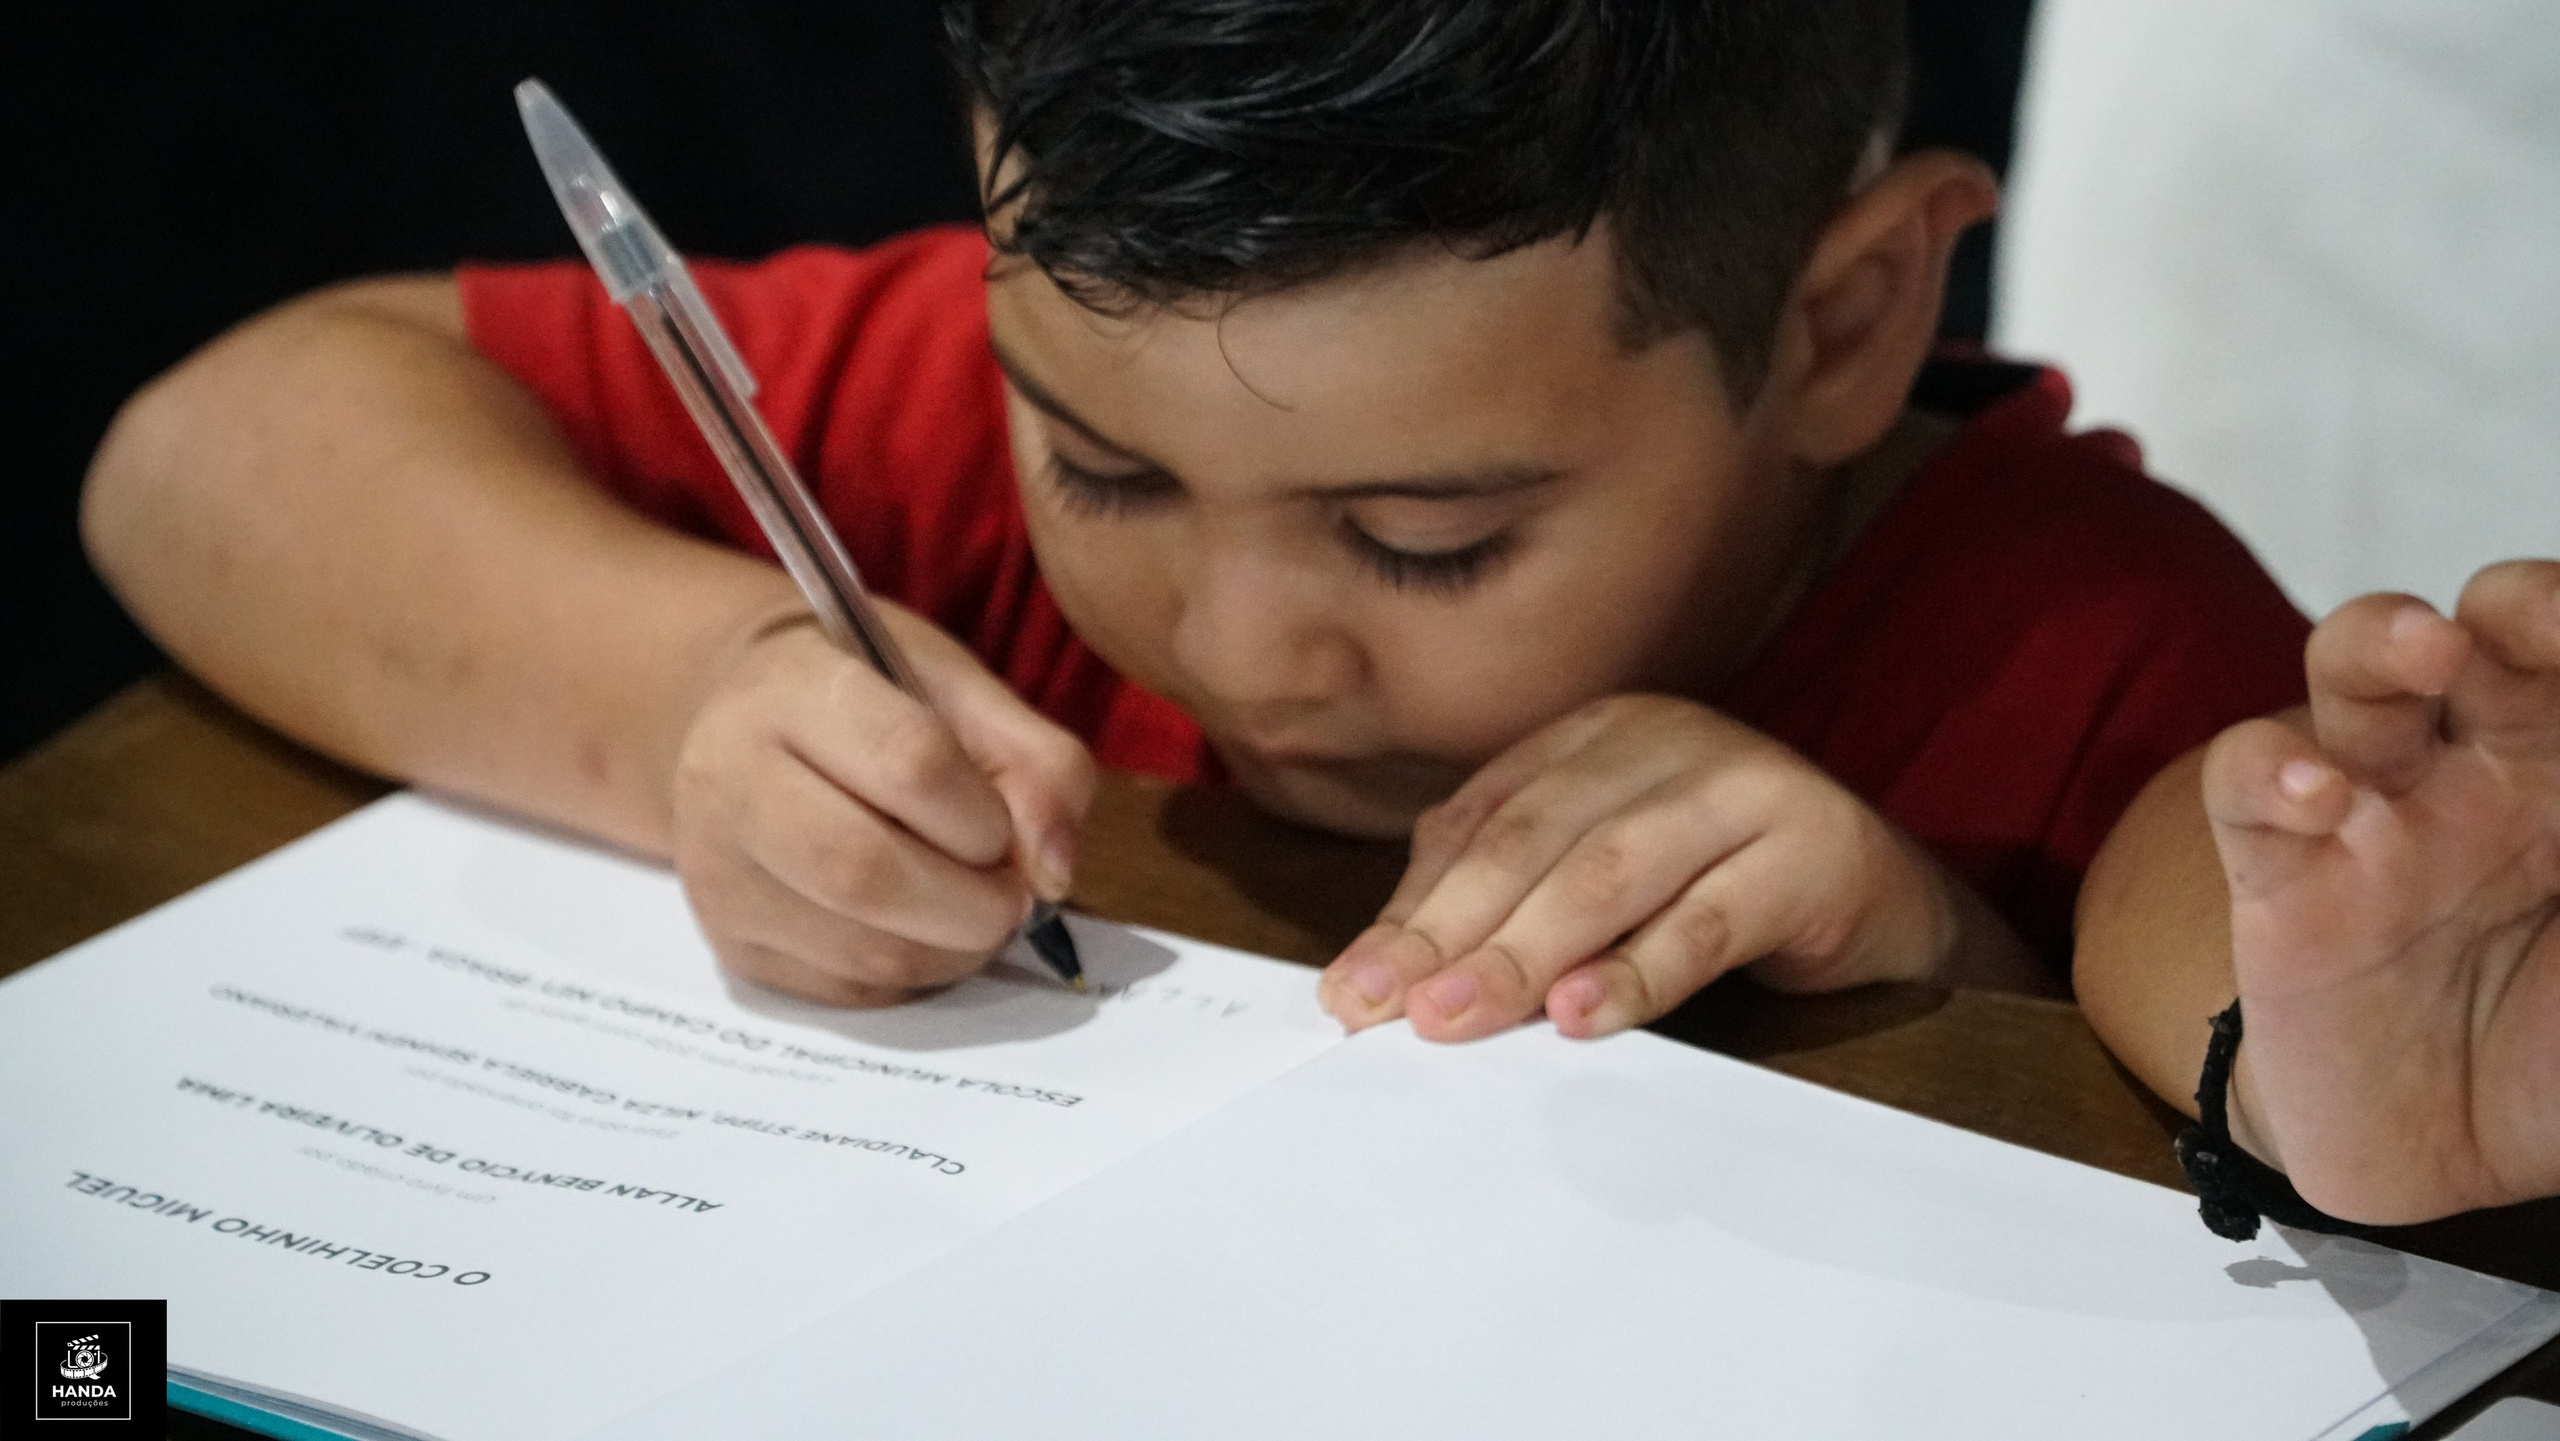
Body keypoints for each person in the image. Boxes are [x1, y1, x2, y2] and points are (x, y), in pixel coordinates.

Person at [80, 0, 2554, 1230]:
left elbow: (2220, 889)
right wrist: (688, 687)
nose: (1234, 638)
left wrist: (2291, 1051)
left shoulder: (2048, 613)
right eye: (1106, 468)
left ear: (1834, 323)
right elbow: (216, 445)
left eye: (1425, 539)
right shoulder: (981, 389)